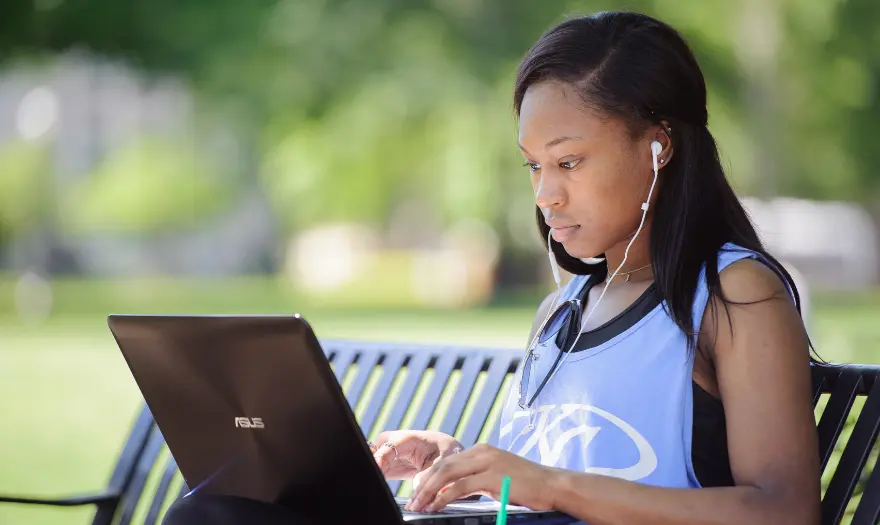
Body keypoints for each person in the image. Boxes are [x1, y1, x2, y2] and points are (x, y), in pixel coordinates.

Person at [163, 10, 821, 525]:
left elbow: (785, 510)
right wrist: (455, 460)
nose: (545, 193)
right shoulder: (567, 308)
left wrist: (555, 486)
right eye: (533, 164)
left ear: (659, 147)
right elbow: (547, 478)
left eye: (569, 162)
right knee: (217, 507)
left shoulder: (734, 295)